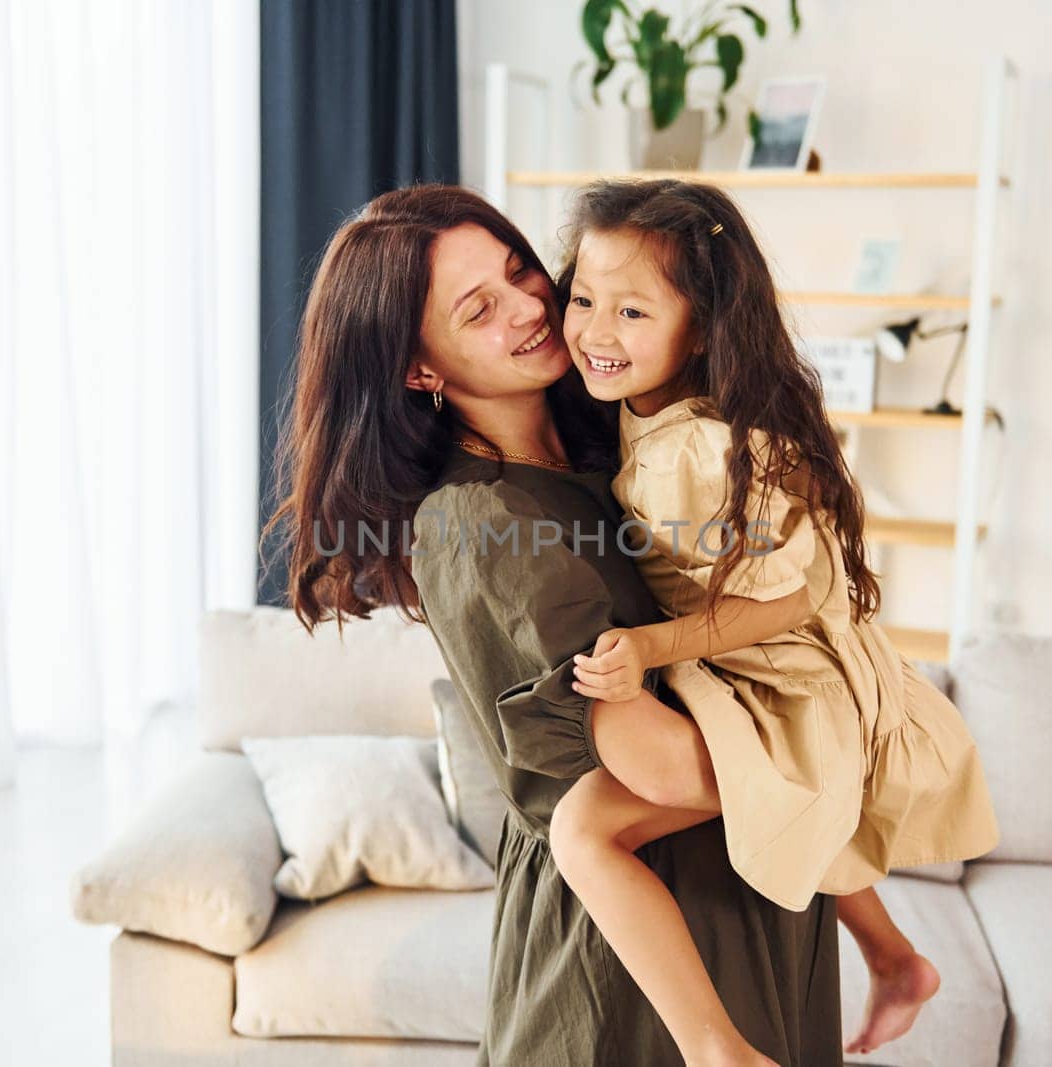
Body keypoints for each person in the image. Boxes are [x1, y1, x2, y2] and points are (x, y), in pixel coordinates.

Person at [267, 183, 845, 1066]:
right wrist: (837, 757)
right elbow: (647, 759)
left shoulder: (614, 439)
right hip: (635, 964)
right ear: (421, 370)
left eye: (518, 270)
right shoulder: (480, 521)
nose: (532, 307)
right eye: (480, 308)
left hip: (751, 889)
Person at [544, 178, 1002, 1062]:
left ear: (704, 329)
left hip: (784, 670)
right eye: (584, 298)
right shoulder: (648, 412)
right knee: (787, 805)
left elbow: (792, 592)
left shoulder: (697, 450)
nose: (596, 331)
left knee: (584, 829)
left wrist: (651, 644)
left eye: (632, 313)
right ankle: (895, 954)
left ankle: (720, 1048)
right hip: (766, 661)